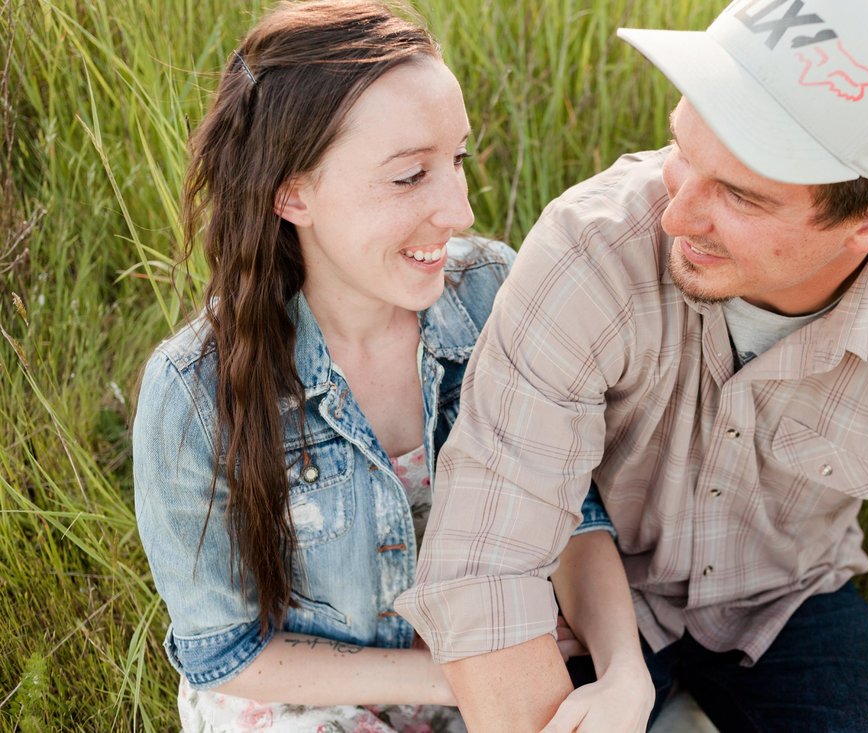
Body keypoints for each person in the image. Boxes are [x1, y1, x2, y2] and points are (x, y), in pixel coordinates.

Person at [395, 1, 868, 732]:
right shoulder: (590, 249)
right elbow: (488, 564)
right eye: (685, 148)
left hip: (786, 601)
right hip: (589, 595)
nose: (677, 216)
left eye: (741, 195)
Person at [132, 2, 625, 730]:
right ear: (293, 191)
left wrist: (622, 673)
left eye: (456, 161)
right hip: (308, 694)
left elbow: (574, 511)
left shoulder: (493, 294)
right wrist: (456, 674)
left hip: (486, 653)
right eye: (408, 177)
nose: (458, 210)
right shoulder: (192, 392)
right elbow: (224, 651)